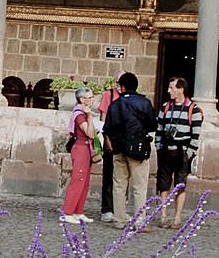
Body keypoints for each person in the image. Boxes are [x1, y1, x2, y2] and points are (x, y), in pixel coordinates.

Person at [101, 71, 156, 230]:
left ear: (123, 86)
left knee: (119, 185)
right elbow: (152, 125)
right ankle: (139, 221)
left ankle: (119, 220)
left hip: (119, 148)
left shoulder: (116, 104)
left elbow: (108, 127)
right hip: (138, 149)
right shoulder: (144, 103)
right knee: (139, 187)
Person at [155, 75, 204, 229]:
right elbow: (159, 129)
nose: (169, 91)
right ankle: (163, 215)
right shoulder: (165, 107)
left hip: (182, 151)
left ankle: (177, 217)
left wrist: (190, 153)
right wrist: (158, 147)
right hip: (165, 151)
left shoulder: (193, 109)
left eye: (172, 88)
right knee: (163, 184)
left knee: (180, 185)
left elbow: (196, 134)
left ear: (181, 89)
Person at [60, 86, 98, 222]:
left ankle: (78, 211)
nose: (92, 99)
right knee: (78, 180)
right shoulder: (79, 114)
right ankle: (68, 212)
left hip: (86, 148)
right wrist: (89, 116)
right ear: (82, 99)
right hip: (81, 148)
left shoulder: (82, 113)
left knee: (85, 181)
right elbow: (90, 133)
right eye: (90, 97)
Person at [97, 76, 122, 219]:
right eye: (117, 82)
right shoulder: (109, 95)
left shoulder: (127, 97)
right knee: (108, 175)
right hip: (110, 139)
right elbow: (103, 117)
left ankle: (119, 208)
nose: (119, 85)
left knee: (122, 176)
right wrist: (105, 138)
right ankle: (107, 208)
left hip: (123, 141)